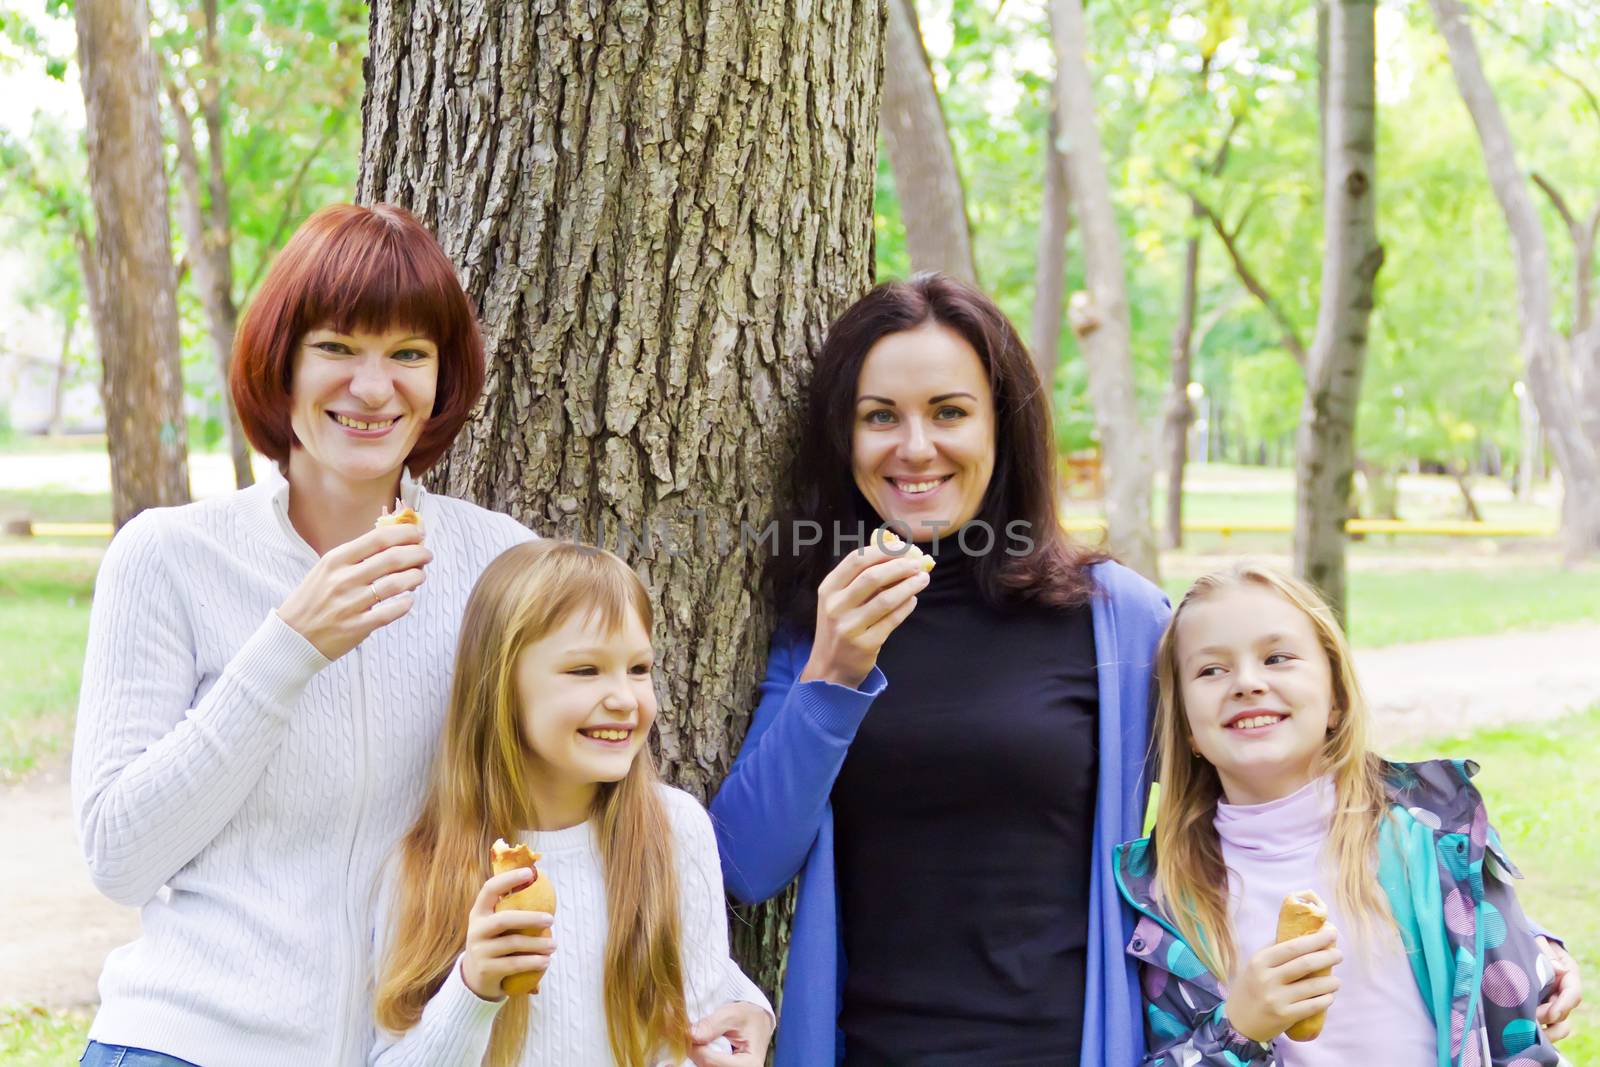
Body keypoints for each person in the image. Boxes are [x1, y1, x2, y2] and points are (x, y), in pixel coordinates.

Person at [72, 203, 772, 1067]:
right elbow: (118, 858)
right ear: (279, 363)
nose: (373, 388)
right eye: (336, 348)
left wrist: (718, 994)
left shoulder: (499, 561)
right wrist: (287, 648)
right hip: (192, 1044)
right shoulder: (170, 557)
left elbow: (582, 808)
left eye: (408, 354)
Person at [709, 273, 1172, 1066]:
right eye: (879, 416)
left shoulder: (1117, 619)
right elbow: (746, 863)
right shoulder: (823, 618)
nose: (915, 447)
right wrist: (835, 669)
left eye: (950, 412)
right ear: (842, 438)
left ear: (1003, 426)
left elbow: (1249, 812)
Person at [1117, 562, 1577, 1065]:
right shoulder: (1160, 901)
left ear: (1336, 698)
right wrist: (1238, 1028)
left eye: (1277, 658)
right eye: (1211, 670)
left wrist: (1542, 957)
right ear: (1183, 724)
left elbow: (1513, 1019)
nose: (1247, 682)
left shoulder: (1434, 838)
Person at [369, 540, 769, 1065]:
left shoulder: (674, 832)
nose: (624, 698)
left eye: (639, 669)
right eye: (585, 670)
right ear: (500, 686)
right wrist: (473, 990)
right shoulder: (426, 864)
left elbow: (694, 1031)